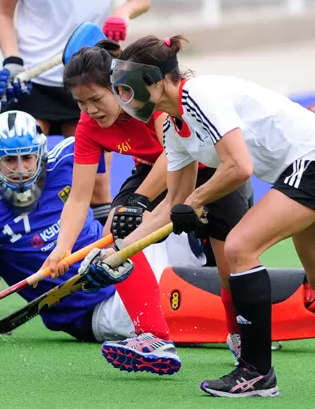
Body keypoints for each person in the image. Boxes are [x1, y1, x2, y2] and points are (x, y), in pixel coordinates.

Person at [102, 35, 315, 397]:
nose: (124, 99)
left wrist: (198, 200)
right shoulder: (174, 128)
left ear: (154, 81)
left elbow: (240, 167)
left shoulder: (198, 96)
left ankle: (255, 371)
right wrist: (117, 253)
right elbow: (173, 202)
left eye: (126, 88)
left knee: (239, 247)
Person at [0, 0, 152, 305]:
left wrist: (123, 14)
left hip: (93, 83)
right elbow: (3, 14)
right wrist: (13, 59)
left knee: (95, 187)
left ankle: (93, 264)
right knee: (15, 177)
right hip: (36, 80)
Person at [43, 39, 257, 370]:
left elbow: (174, 154)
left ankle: (240, 334)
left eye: (96, 99)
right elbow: (79, 196)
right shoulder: (88, 126)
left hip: (210, 170)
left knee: (230, 267)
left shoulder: (148, 102)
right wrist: (61, 248)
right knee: (118, 227)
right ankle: (153, 336)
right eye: (80, 103)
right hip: (152, 171)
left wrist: (140, 201)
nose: (90, 111)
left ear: (117, 89)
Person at [0, 110, 183, 375]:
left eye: (27, 158)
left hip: (123, 260)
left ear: (40, 153)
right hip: (94, 309)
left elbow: (112, 141)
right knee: (181, 302)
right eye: (9, 160)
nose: (21, 170)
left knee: (186, 243)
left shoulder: (66, 158)